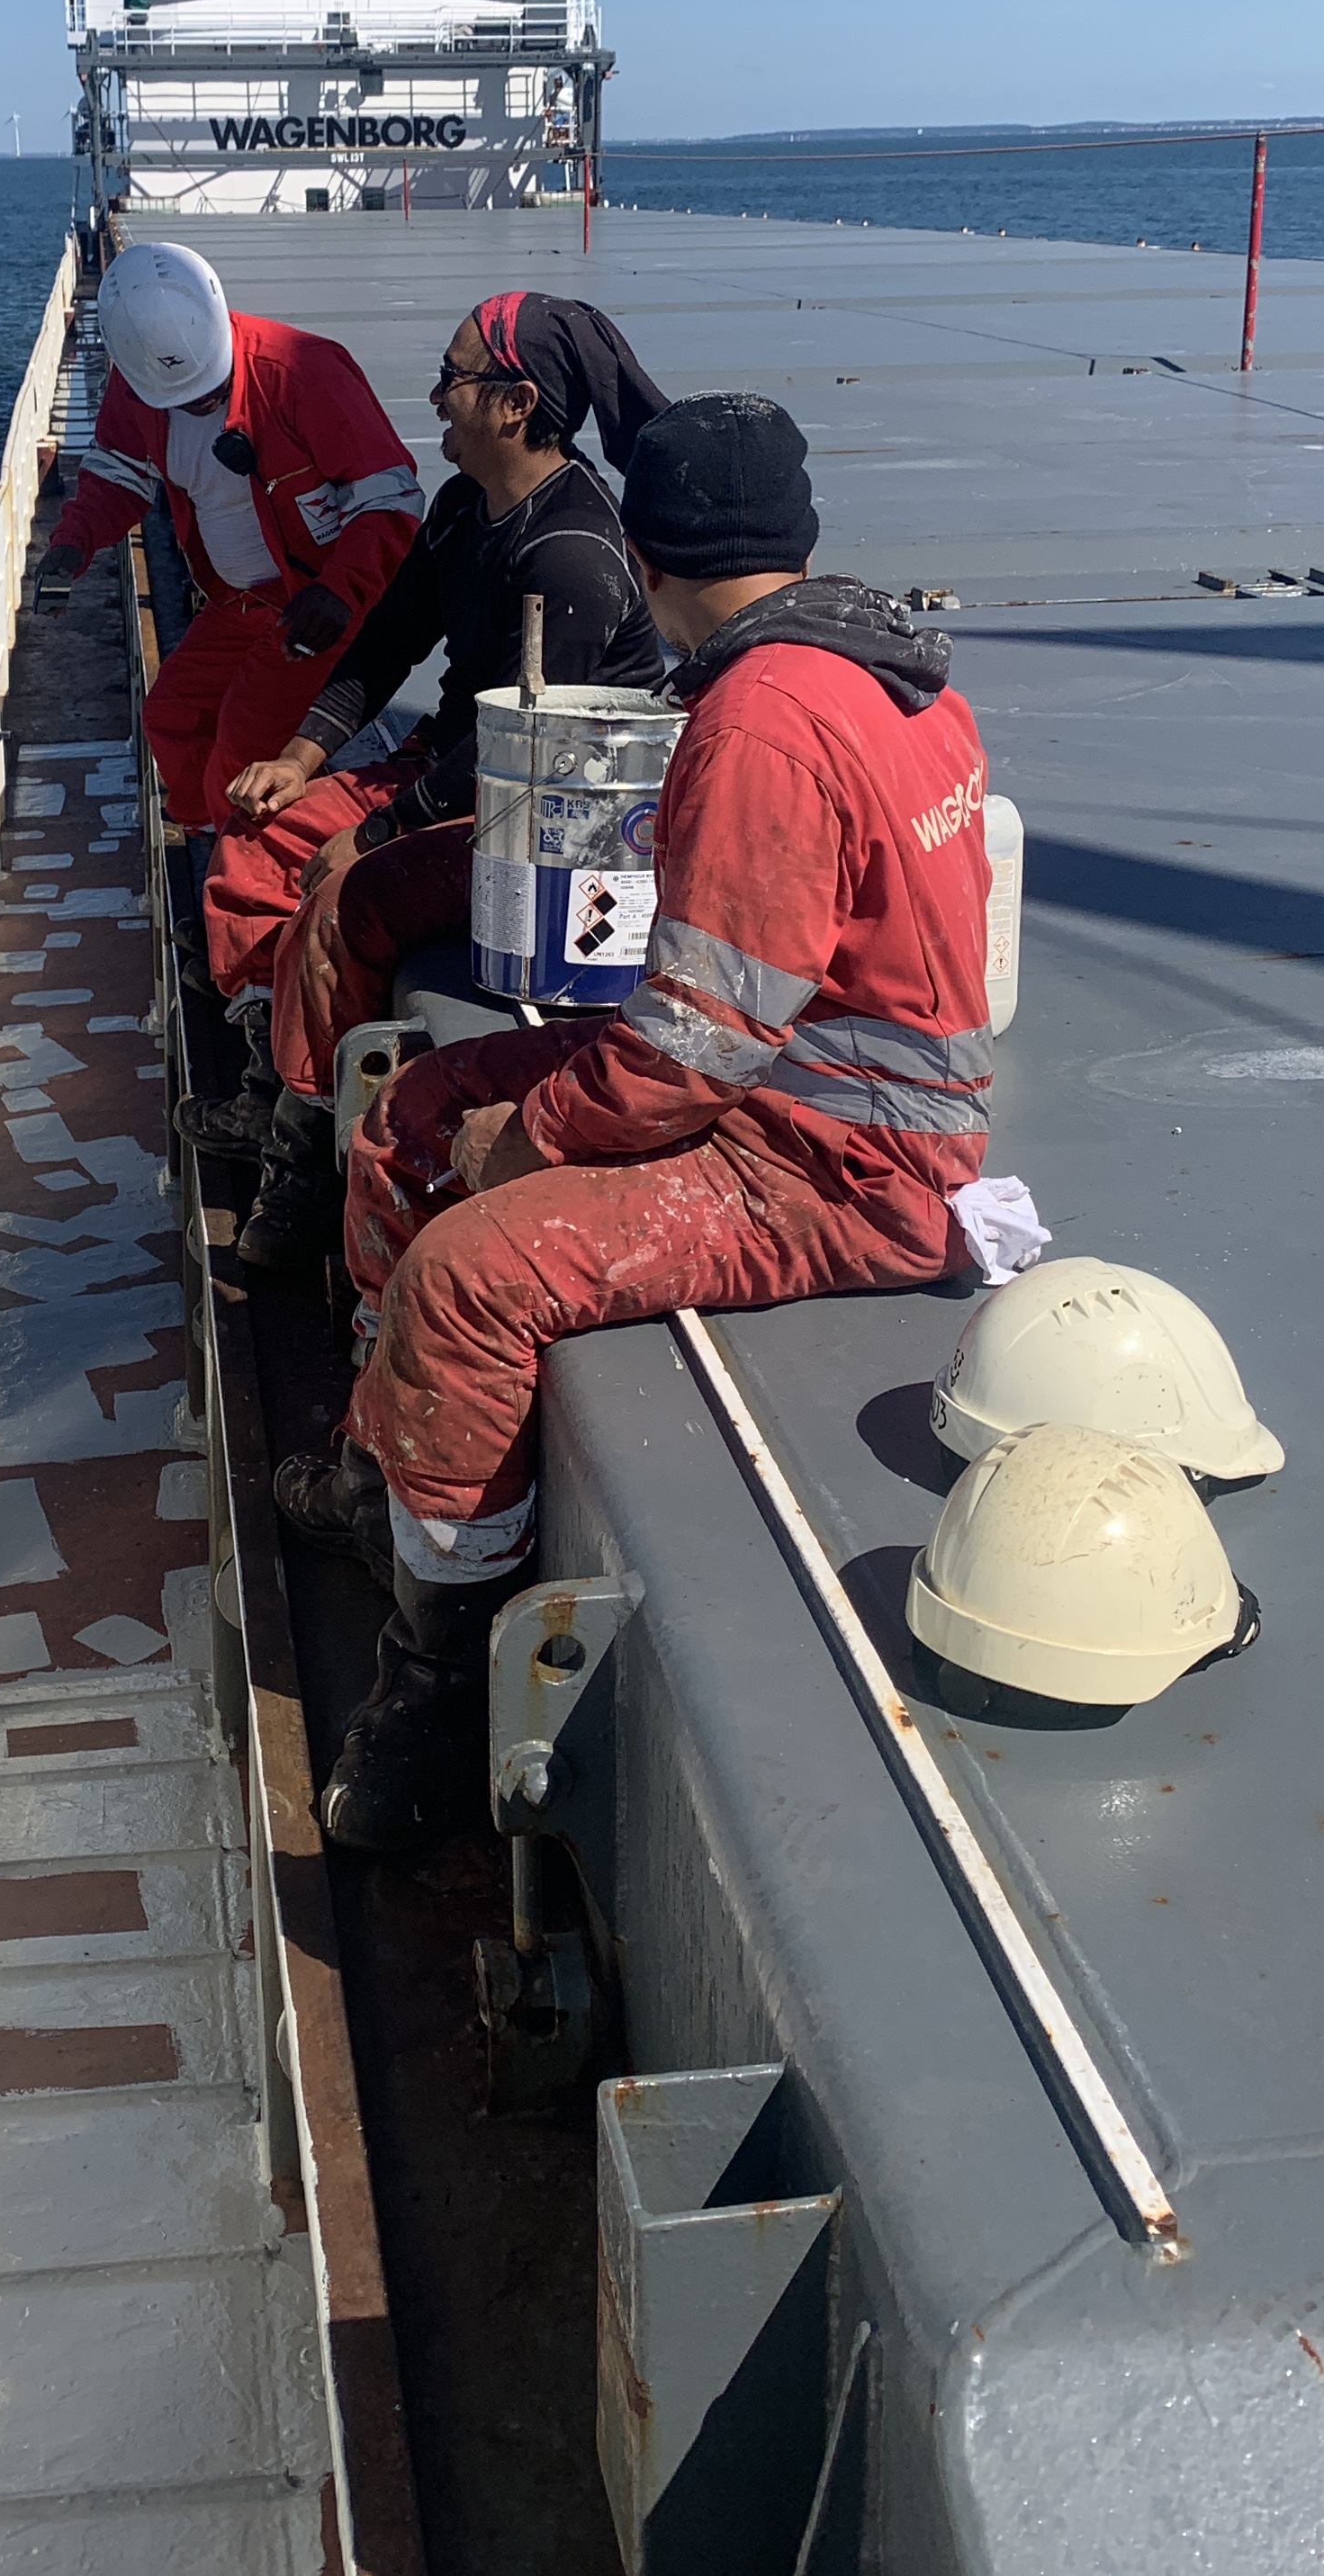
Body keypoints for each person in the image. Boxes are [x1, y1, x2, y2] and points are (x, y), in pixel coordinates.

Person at [279, 390, 997, 1848]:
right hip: (795, 1090)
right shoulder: (884, 662)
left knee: (466, 1278)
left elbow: (688, 1045)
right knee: (413, 1111)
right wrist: (491, 1118)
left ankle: (436, 1681)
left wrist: (527, 1140)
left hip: (835, 1162)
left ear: (653, 557)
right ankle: (384, 1474)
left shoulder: (759, 719)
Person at [182, 292, 671, 1269]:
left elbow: (523, 758)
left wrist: (370, 835)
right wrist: (301, 761)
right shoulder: (463, 508)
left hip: (535, 816)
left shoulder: (568, 555)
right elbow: (386, 643)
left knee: (335, 900)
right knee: (248, 843)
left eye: (454, 377)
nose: (436, 396)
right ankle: (266, 1075)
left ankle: (303, 1167)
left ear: (514, 403)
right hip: (457, 770)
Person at [45, 240, 423, 828]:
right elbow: (117, 471)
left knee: (242, 749)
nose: (201, 402)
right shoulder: (138, 386)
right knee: (172, 717)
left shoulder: (304, 371)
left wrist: (338, 592)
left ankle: (244, 876)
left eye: (212, 391)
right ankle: (220, 839)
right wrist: (73, 542)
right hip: (236, 603)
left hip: (312, 606)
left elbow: (392, 500)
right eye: (186, 399)